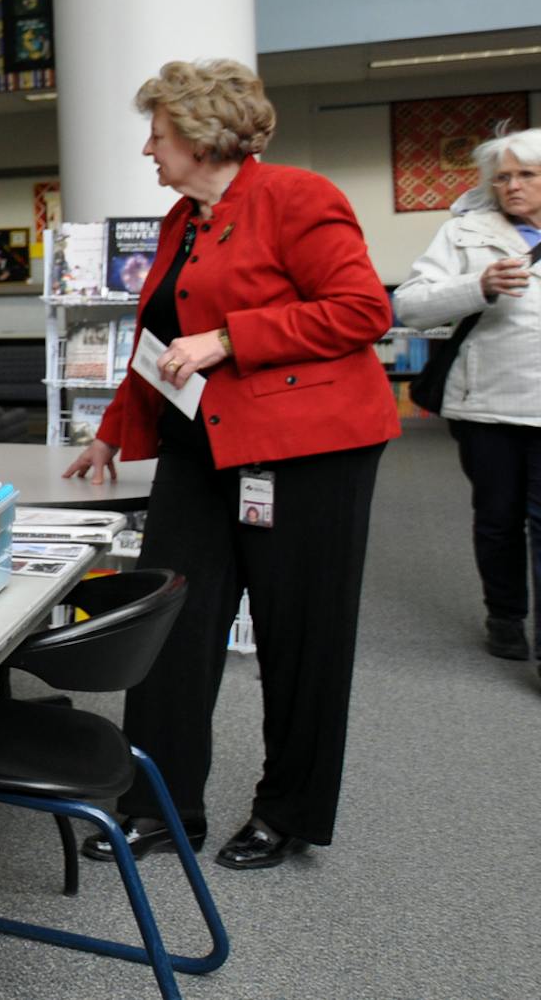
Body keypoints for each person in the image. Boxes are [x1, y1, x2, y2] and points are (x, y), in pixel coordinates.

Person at [63, 58, 399, 871]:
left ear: (203, 137)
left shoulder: (296, 198)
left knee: (299, 636)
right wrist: (112, 430)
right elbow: (161, 343)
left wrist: (233, 337)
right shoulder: (185, 219)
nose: (149, 148)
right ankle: (157, 804)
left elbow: (362, 311)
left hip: (307, 453)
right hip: (199, 452)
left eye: (159, 133)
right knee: (171, 628)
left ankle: (288, 811)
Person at [394, 128, 541, 674]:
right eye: (502, 177)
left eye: (526, 174)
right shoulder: (463, 232)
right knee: (497, 518)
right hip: (486, 403)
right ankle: (504, 616)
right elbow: (409, 308)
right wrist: (477, 286)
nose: (512, 186)